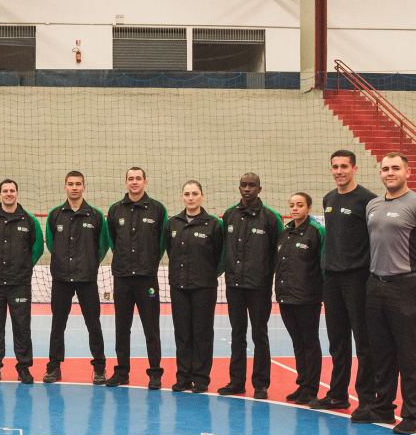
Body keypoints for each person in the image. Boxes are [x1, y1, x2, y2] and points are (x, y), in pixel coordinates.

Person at [355, 152, 416, 435]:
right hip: (376, 285)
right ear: (380, 173)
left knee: (410, 354)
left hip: (410, 287)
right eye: (385, 169)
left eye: (396, 168)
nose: (390, 173)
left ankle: (415, 416)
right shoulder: (372, 204)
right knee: (381, 352)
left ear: (408, 172)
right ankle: (382, 408)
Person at [310, 150, 378, 414]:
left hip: (357, 279)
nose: (339, 171)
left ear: (355, 169)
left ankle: (368, 399)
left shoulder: (368, 200)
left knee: (363, 342)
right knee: (337, 341)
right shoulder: (328, 199)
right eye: (335, 167)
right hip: (332, 280)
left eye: (344, 166)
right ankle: (338, 395)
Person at [217, 173, 283, 400]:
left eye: (251, 185)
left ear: (259, 188)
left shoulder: (271, 218)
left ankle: (261, 384)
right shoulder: (229, 215)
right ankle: (236, 382)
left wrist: (266, 275)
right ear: (239, 188)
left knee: (259, 335)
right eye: (244, 185)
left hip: (259, 287)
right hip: (234, 285)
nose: (247, 189)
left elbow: (278, 251)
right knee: (237, 334)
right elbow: (224, 248)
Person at [44, 171, 109, 385]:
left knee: (93, 324)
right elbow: (51, 244)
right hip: (61, 278)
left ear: (84, 187)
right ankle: (54, 368)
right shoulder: (55, 215)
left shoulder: (96, 215)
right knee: (57, 325)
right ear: (65, 187)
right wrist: (64, 262)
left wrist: (89, 262)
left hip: (87, 279)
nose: (74, 187)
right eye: (70, 184)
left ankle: (100, 368)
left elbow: (102, 246)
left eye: (78, 184)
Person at [0, 179, 44, 384]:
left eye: (12, 190)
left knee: (22, 326)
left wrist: (23, 267)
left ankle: (23, 368)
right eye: (5, 191)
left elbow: (38, 248)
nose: (8, 194)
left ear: (17, 193)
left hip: (20, 283)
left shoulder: (29, 220)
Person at [105, 167, 168, 389]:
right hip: (122, 278)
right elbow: (113, 240)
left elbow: (162, 242)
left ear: (145, 182)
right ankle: (122, 372)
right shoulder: (115, 210)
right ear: (125, 183)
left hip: (147, 279)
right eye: (130, 179)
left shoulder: (158, 209)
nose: (134, 182)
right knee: (122, 328)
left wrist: (149, 262)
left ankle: (155, 373)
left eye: (138, 179)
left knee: (151, 328)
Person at [163, 181, 223, 393]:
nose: (191, 197)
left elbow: (219, 256)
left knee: (202, 333)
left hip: (204, 287)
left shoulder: (213, 224)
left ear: (202, 196)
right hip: (178, 286)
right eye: (187, 194)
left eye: (195, 194)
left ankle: (201, 379)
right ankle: (183, 377)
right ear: (182, 197)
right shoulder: (172, 223)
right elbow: (171, 251)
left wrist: (205, 273)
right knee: (182, 333)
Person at [276, 192, 325, 406]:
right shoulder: (285, 233)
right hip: (286, 297)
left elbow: (323, 265)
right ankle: (302, 383)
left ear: (308, 208)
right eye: (292, 205)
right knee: (298, 343)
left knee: (309, 343)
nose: (295, 208)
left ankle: (311, 389)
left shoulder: (317, 232)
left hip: (308, 298)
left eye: (299, 205)